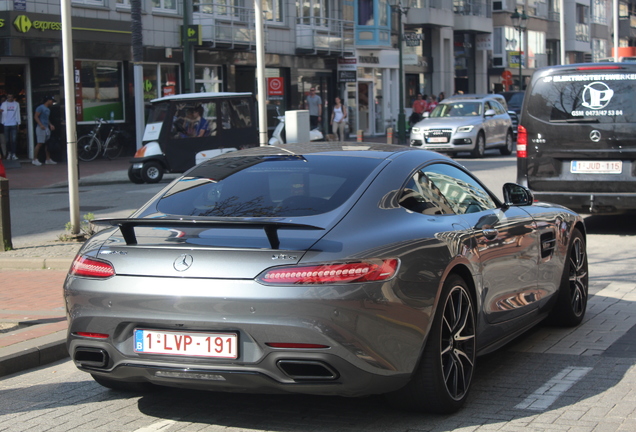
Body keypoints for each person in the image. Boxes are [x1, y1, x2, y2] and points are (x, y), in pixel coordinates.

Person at [33, 96, 56, 166]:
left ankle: (48, 159)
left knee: (47, 144)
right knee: (40, 143)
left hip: (46, 127)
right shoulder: (40, 107)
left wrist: (50, 124)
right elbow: (36, 116)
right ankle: (34, 159)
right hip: (41, 127)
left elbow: (46, 119)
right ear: (48, 100)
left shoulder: (48, 109)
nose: (52, 103)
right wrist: (40, 125)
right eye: (52, 101)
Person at [0, 94, 21, 160]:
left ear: (13, 97)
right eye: (9, 97)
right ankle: (9, 153)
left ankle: (13, 154)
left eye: (11, 96)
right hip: (6, 123)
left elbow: (18, 113)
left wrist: (18, 122)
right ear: (7, 97)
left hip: (13, 123)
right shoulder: (4, 104)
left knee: (14, 140)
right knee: (7, 140)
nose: (10, 98)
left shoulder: (16, 104)